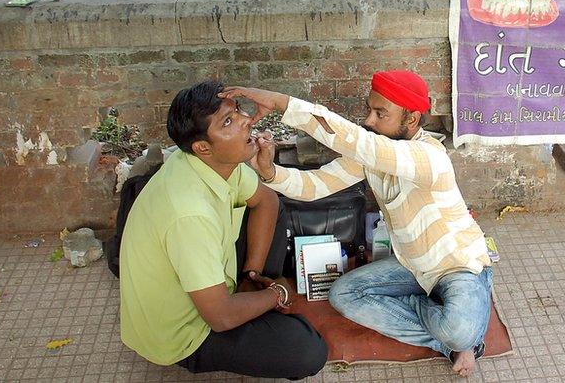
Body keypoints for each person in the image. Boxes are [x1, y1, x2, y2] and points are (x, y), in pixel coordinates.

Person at [223, 70, 493, 377]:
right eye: (369, 109)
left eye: (381, 113)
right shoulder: (374, 154)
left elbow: (358, 142)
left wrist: (281, 103)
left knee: (459, 329)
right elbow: (317, 185)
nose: (369, 120)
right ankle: (448, 335)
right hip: (412, 266)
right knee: (343, 295)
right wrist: (271, 173)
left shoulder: (429, 158)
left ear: (412, 120)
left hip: (457, 265)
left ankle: (461, 334)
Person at [119, 80, 327, 378]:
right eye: (228, 121)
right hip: (186, 332)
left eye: (237, 111)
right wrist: (279, 292)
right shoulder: (189, 215)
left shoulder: (215, 160)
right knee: (308, 350)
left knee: (273, 207)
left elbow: (266, 201)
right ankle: (257, 303)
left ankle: (250, 289)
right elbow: (220, 317)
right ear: (203, 146)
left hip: (217, 284)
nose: (246, 120)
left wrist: (249, 276)